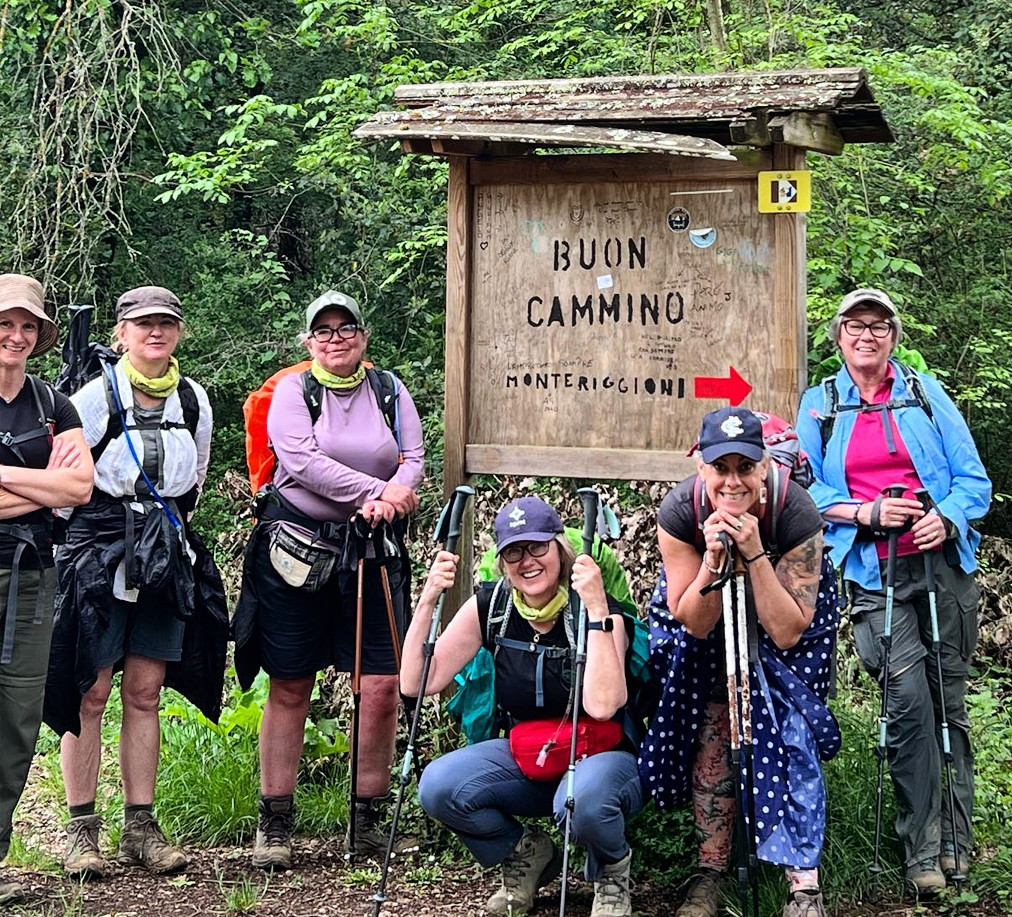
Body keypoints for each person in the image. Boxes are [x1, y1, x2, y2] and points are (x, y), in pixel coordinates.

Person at [795, 288, 991, 894]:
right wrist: (864, 511)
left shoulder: (928, 396)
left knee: (947, 702)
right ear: (839, 337)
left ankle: (959, 838)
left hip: (942, 569)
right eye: (854, 326)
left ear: (893, 337)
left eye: (878, 326)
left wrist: (948, 517)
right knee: (907, 706)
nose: (866, 336)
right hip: (870, 573)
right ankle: (921, 846)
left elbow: (973, 480)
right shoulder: (821, 404)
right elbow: (804, 492)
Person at [232, 290, 424, 870]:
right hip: (298, 554)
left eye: (347, 328)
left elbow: (413, 454)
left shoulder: (389, 389)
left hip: (375, 551)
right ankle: (276, 824)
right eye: (324, 330)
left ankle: (367, 821)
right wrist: (376, 492)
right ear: (308, 341)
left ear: (364, 336)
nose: (336, 338)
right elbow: (299, 460)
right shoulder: (294, 391)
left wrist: (395, 491)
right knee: (291, 682)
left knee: (383, 685)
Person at [43, 287, 217, 880]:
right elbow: (62, 484)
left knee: (146, 691)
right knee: (90, 691)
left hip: (162, 550)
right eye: (143, 324)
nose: (155, 333)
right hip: (97, 547)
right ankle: (81, 831)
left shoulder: (193, 400)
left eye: (167, 323)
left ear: (180, 332)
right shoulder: (91, 397)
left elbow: (193, 479)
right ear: (120, 333)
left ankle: (140, 828)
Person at [640, 406, 839, 917]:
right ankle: (712, 870)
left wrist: (753, 555)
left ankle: (802, 883)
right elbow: (694, 621)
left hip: (782, 600)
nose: (733, 481)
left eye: (745, 468)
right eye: (720, 468)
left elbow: (789, 629)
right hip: (705, 596)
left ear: (763, 468)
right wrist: (713, 560)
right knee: (712, 721)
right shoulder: (680, 512)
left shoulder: (795, 512)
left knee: (787, 725)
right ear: (700, 467)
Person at [412, 497, 644, 917]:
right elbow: (418, 681)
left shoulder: (598, 608)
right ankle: (527, 854)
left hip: (603, 758)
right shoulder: (493, 606)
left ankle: (612, 871)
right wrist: (429, 599)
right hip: (532, 753)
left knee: (583, 800)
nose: (528, 560)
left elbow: (604, 705)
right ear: (501, 561)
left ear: (560, 548)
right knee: (439, 785)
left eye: (538, 546)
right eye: (514, 551)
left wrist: (595, 609)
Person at [0, 274, 93, 906]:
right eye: (5, 323)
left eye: (28, 325)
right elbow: (54, 487)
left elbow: (79, 490)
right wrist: (39, 481)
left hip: (31, 579)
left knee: (17, 719)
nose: (16, 335)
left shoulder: (52, 404)